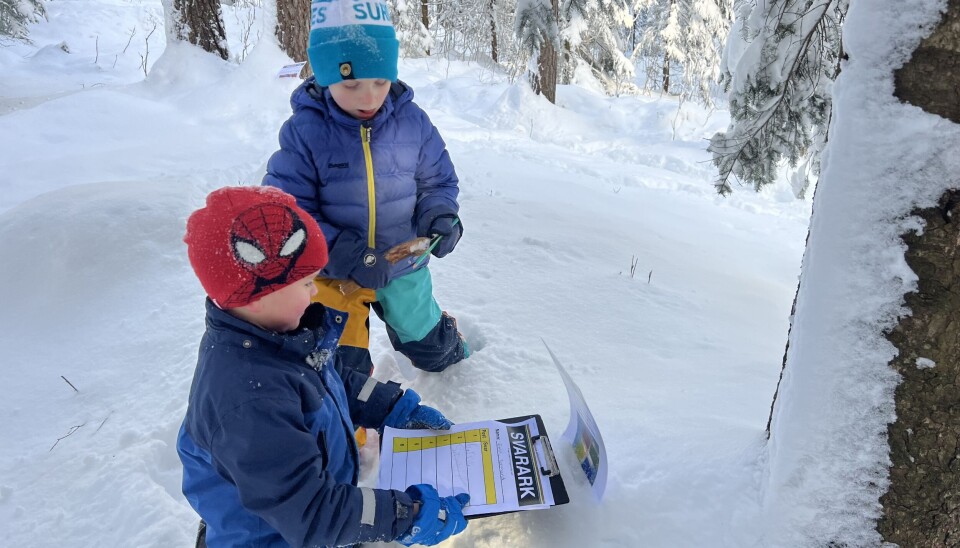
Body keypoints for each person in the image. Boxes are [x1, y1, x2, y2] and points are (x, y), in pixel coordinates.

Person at [176, 185, 470, 547]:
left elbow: (332, 379)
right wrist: (404, 514)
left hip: (305, 513)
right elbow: (313, 512)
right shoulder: (249, 401)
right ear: (255, 298)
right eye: (306, 283)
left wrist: (392, 408)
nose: (315, 292)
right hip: (279, 536)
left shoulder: (277, 337)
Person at [262, 0, 467, 376]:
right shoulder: (305, 133)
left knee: (429, 346)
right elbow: (289, 214)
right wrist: (344, 252)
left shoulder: (412, 122)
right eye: (351, 83)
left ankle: (456, 359)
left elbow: (437, 180)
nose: (369, 96)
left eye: (380, 80)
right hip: (334, 274)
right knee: (342, 367)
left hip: (403, 264)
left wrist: (440, 214)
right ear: (324, 76)